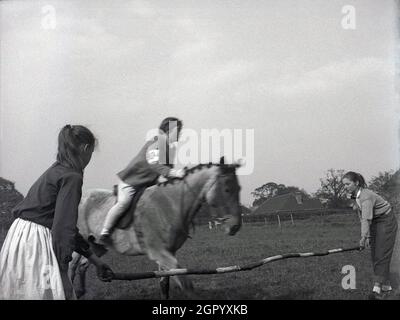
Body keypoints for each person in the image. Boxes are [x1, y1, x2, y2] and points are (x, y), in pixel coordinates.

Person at [0, 125, 114, 300]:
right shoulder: (72, 177)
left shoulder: (56, 170)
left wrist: (96, 261)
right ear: (86, 148)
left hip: (20, 238)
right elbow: (63, 228)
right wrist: (62, 264)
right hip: (36, 243)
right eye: (91, 152)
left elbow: (64, 225)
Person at [99, 117, 185, 242]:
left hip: (146, 184)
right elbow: (155, 165)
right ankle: (105, 232)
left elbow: (167, 173)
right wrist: (176, 173)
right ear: (168, 130)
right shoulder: (156, 143)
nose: (180, 134)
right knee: (123, 203)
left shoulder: (169, 149)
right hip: (131, 182)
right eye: (178, 130)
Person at [342, 171, 398, 299]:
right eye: (344, 184)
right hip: (375, 221)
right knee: (375, 254)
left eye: (347, 184)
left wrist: (364, 237)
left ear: (356, 183)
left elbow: (366, 219)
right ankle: (386, 286)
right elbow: (361, 214)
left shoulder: (366, 196)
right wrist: (367, 236)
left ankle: (377, 290)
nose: (345, 187)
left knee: (381, 253)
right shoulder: (353, 194)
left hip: (386, 220)